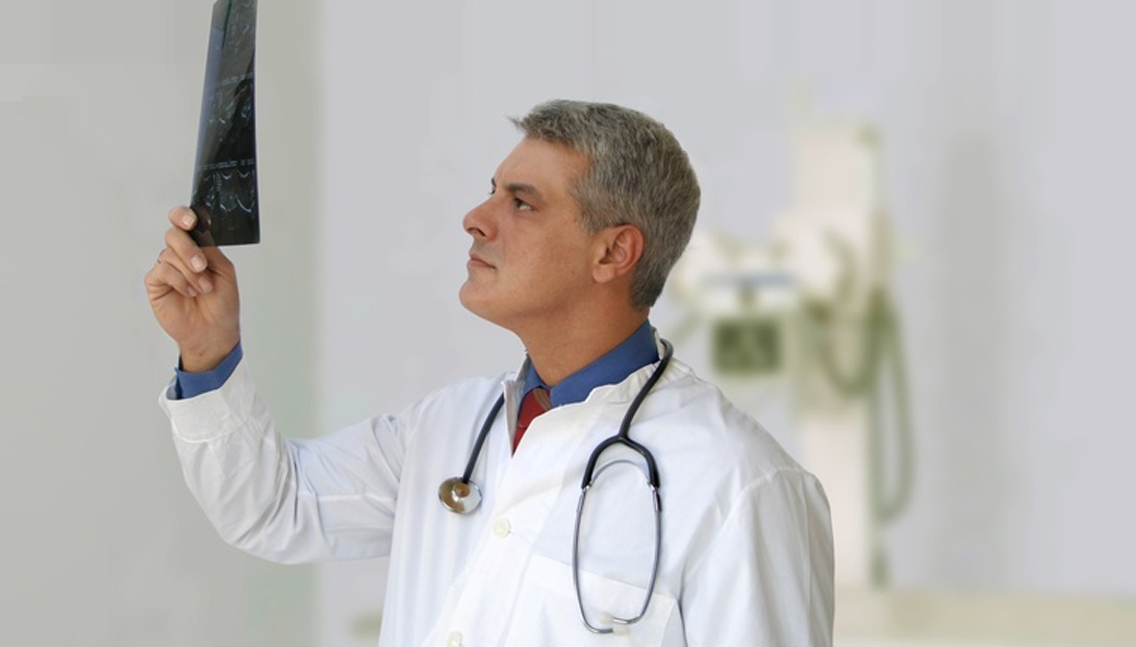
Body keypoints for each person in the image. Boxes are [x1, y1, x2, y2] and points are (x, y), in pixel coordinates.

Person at [146, 100, 834, 646]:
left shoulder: (739, 484)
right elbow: (273, 506)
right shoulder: (448, 428)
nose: (475, 219)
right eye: (491, 192)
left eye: (522, 202)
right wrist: (209, 350)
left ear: (613, 252)